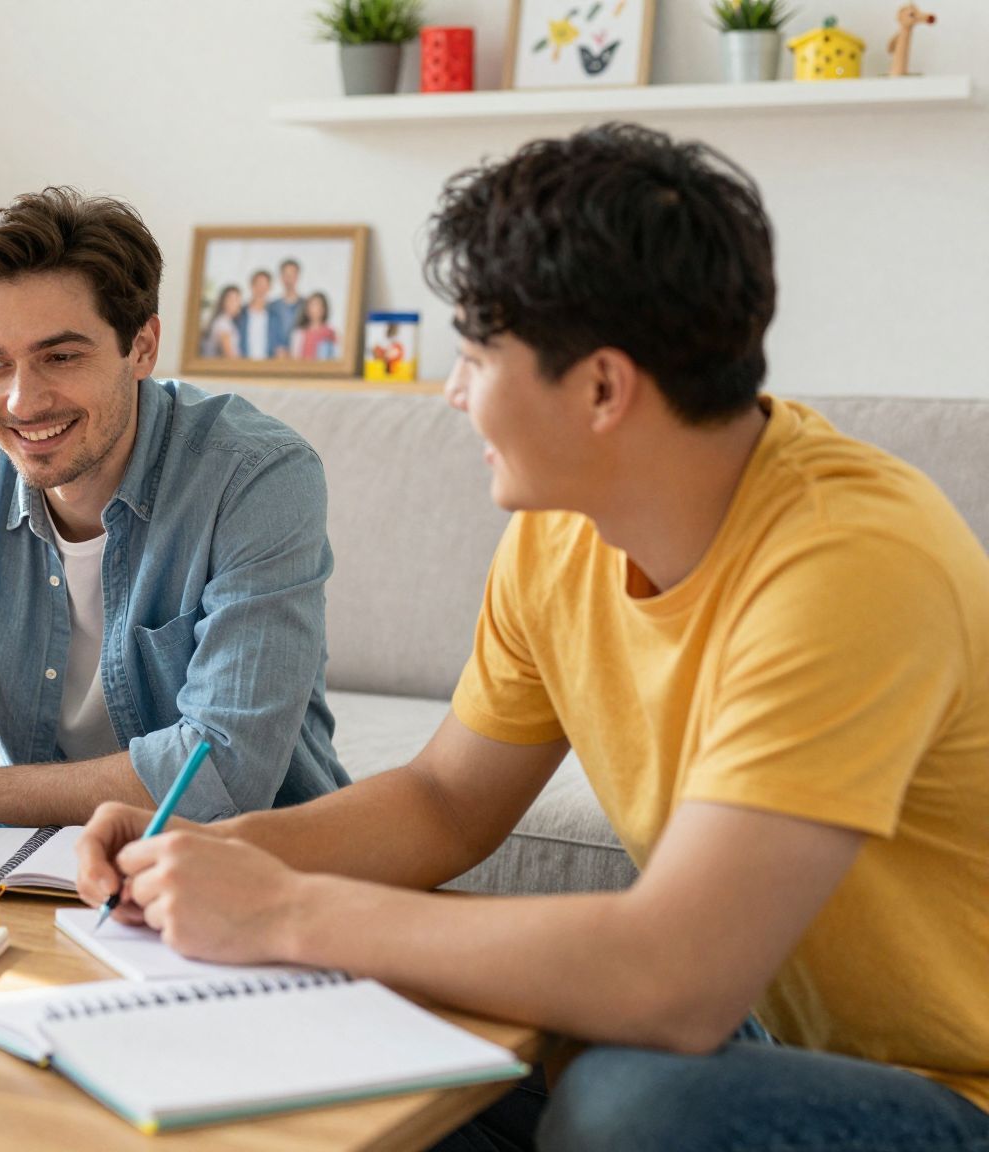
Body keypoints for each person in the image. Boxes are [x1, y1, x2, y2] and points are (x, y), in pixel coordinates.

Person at [75, 123, 989, 1151]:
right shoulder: (558, 532)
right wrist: (210, 851)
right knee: (358, 1041)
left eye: (471, 357)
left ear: (601, 387)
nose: (451, 393)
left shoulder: (847, 568)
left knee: (623, 1107)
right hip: (758, 1036)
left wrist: (283, 910)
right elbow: (444, 803)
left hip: (948, 1086)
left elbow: (675, 980)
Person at [0, 187, 347, 866]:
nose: (23, 400)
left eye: (61, 357)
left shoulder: (256, 477)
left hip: (237, 863)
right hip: (34, 865)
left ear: (142, 347)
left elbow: (221, 768)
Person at [234, 269, 279, 360]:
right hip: (243, 366)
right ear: (251, 286)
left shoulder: (274, 317)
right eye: (258, 285)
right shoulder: (240, 314)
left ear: (269, 288)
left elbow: (279, 348)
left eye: (264, 286)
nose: (261, 289)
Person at [289, 292, 338, 361]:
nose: (314, 309)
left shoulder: (330, 333)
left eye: (318, 305)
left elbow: (335, 356)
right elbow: (294, 357)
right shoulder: (299, 333)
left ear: (324, 309)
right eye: (311, 305)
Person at [201, 285, 243, 359]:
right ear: (223, 302)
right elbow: (229, 355)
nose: (237, 304)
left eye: (238, 300)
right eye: (232, 300)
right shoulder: (223, 323)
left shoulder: (228, 322)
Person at [271, 258, 306, 345]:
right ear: (281, 278)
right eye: (286, 275)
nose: (288, 279)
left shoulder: (306, 305)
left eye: (292, 275)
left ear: (297, 277)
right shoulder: (272, 306)